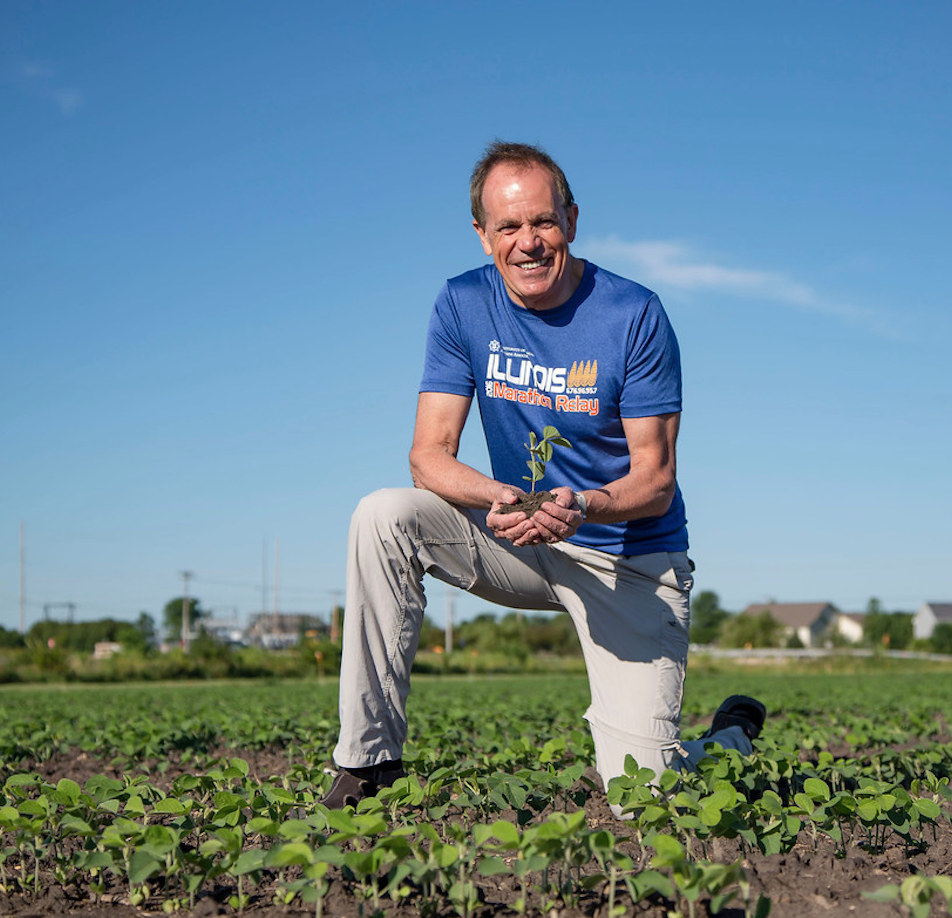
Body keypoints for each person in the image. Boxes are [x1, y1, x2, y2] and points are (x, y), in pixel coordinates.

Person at [321, 141, 764, 811]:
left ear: (572, 221)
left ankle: (728, 740)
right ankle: (369, 762)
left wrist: (582, 505)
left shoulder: (633, 314)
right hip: (523, 538)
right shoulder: (461, 304)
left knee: (641, 798)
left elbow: (656, 480)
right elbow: (428, 454)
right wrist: (500, 495)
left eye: (543, 222)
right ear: (482, 234)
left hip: (629, 558)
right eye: (508, 227)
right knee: (384, 514)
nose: (528, 242)